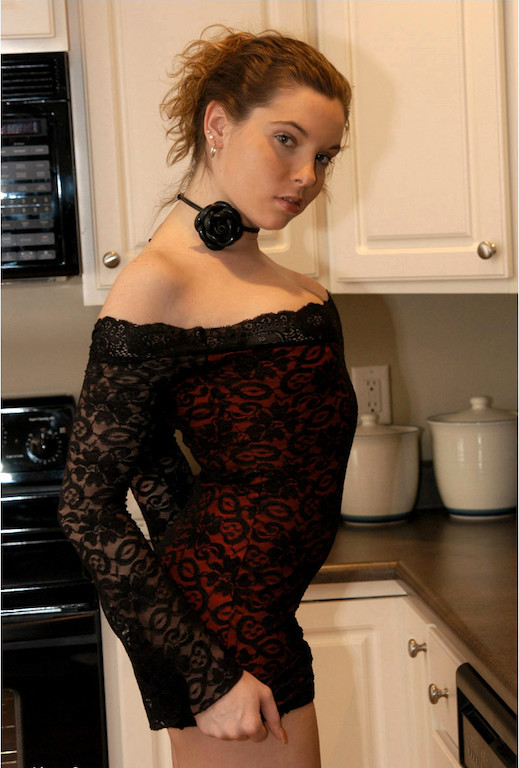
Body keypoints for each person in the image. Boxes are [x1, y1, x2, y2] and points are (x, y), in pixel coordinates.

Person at [58, 27, 357, 768]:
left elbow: (155, 464)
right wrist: (206, 674)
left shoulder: (284, 282)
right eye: (285, 140)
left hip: (255, 613)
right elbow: (86, 509)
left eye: (323, 156)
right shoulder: (158, 281)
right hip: (221, 635)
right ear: (218, 124)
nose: (306, 175)